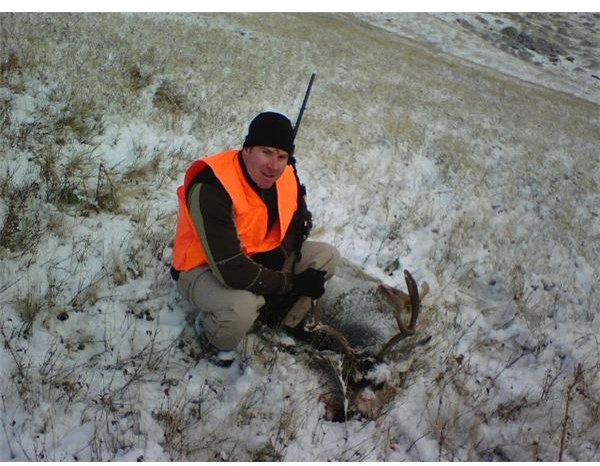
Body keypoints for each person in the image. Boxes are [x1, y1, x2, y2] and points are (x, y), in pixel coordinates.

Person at [171, 111, 340, 359]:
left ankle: (282, 322)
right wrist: (289, 283)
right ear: (247, 149)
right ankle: (212, 339)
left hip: (255, 256)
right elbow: (231, 270)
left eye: (282, 156)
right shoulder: (212, 186)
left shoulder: (285, 174)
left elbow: (296, 227)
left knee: (327, 256)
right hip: (202, 268)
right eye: (266, 152)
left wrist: (281, 251)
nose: (274, 165)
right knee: (242, 307)